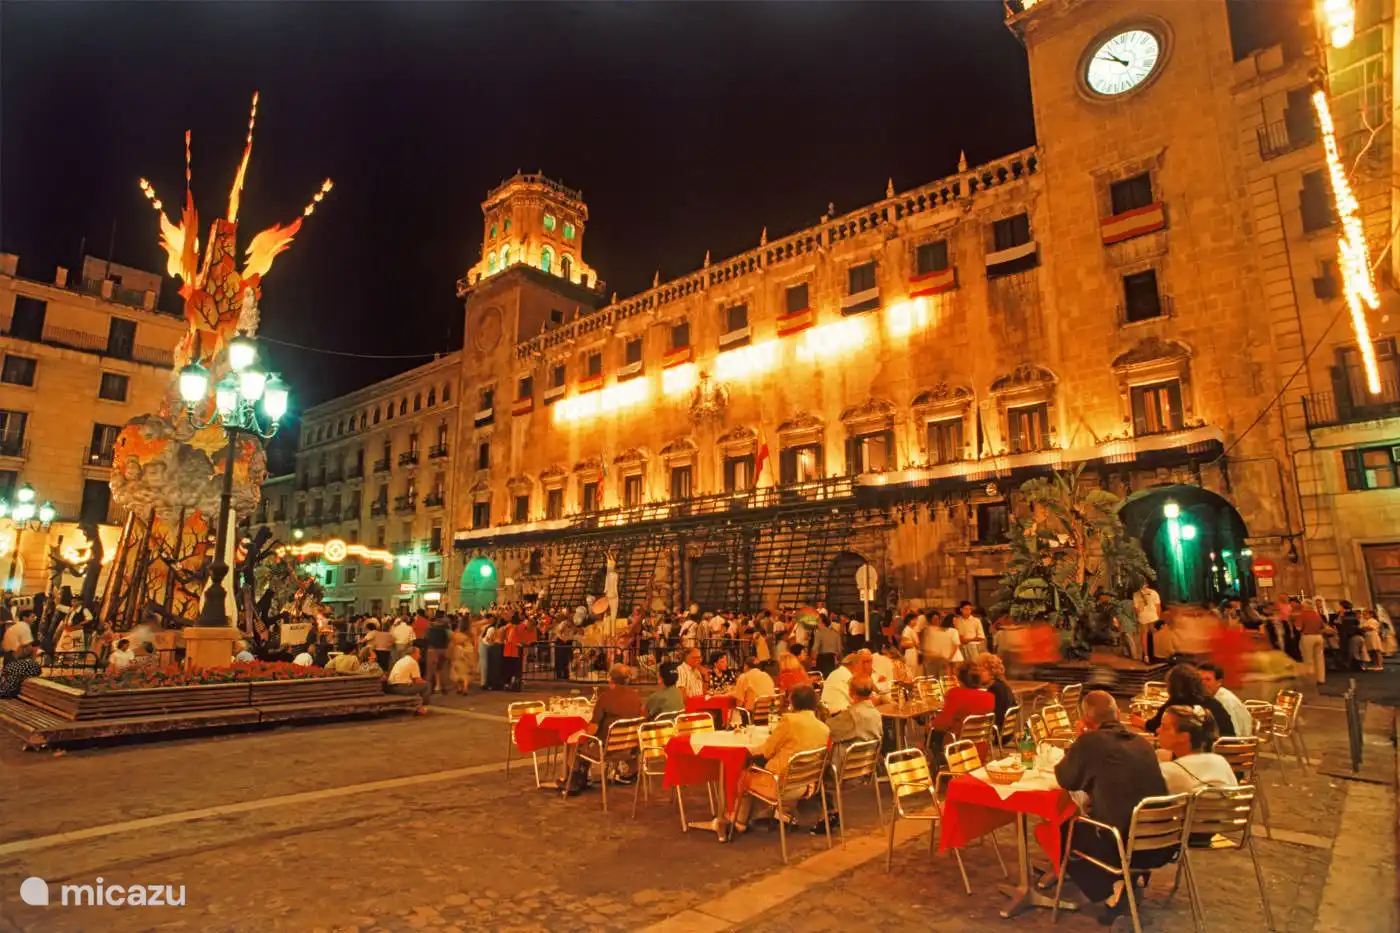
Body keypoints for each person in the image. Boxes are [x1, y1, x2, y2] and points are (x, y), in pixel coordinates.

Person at [1055, 690, 1173, 922]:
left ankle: (1112, 890)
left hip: (1123, 843)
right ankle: (1128, 878)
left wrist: (1080, 740)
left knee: (1064, 831)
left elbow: (1066, 778)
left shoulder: (1090, 742)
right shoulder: (1142, 743)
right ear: (1118, 714)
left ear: (1087, 720)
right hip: (1164, 842)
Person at [729, 684, 831, 836]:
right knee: (783, 768)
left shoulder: (789, 721)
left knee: (745, 776)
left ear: (792, 702)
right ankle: (784, 813)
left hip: (780, 785)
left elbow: (766, 751)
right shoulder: (824, 729)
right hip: (807, 785)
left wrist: (749, 750)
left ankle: (739, 822)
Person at [813, 675, 883, 834]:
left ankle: (829, 814)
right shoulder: (876, 714)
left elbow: (828, 730)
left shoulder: (851, 716)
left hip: (844, 771)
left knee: (814, 772)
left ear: (851, 692)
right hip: (866, 768)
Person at [1156, 704, 1238, 796]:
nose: (1158, 730)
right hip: (1226, 810)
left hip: (1194, 810)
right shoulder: (1221, 761)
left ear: (1183, 737)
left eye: (1164, 727)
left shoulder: (1168, 771)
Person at [1140, 664, 1235, 740]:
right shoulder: (1214, 702)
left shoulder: (1176, 705)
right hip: (1229, 754)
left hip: (1207, 756)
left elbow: (1154, 726)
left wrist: (1137, 721)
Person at [928, 660, 995, 761]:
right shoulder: (990, 697)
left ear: (959, 678)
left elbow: (943, 723)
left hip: (958, 749)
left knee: (932, 733)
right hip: (980, 751)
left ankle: (937, 768)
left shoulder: (955, 694)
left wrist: (930, 725)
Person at [1196, 662, 1250, 736]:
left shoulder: (1225, 701)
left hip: (1237, 743)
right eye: (1200, 679)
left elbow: (1234, 734)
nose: (1203, 683)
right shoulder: (1212, 697)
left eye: (1208, 680)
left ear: (1219, 682)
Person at [1291, 595, 1328, 685]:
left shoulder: (1303, 615)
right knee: (1319, 658)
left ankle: (1311, 679)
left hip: (1307, 637)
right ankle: (1321, 679)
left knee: (1309, 659)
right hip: (1318, 637)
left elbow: (1299, 628)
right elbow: (1323, 626)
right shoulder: (1316, 614)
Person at [975, 652, 1017, 730]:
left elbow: (994, 717)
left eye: (982, 671)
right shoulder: (1003, 685)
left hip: (996, 733)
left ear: (992, 672)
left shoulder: (995, 690)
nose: (978, 674)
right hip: (1007, 732)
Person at [386, 645, 431, 711]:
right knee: (426, 685)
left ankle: (417, 704)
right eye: (418, 653)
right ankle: (423, 707)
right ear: (413, 654)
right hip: (401, 688)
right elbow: (417, 680)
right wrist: (425, 682)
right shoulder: (412, 662)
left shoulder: (401, 660)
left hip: (391, 687)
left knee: (415, 685)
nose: (420, 655)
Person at [1134, 582, 1162, 661]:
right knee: (1154, 635)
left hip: (1143, 618)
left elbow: (1137, 610)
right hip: (1153, 617)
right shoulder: (1154, 593)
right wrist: (1158, 618)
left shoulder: (1136, 594)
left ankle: (1146, 656)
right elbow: (1158, 607)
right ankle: (1156, 655)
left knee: (1144, 636)